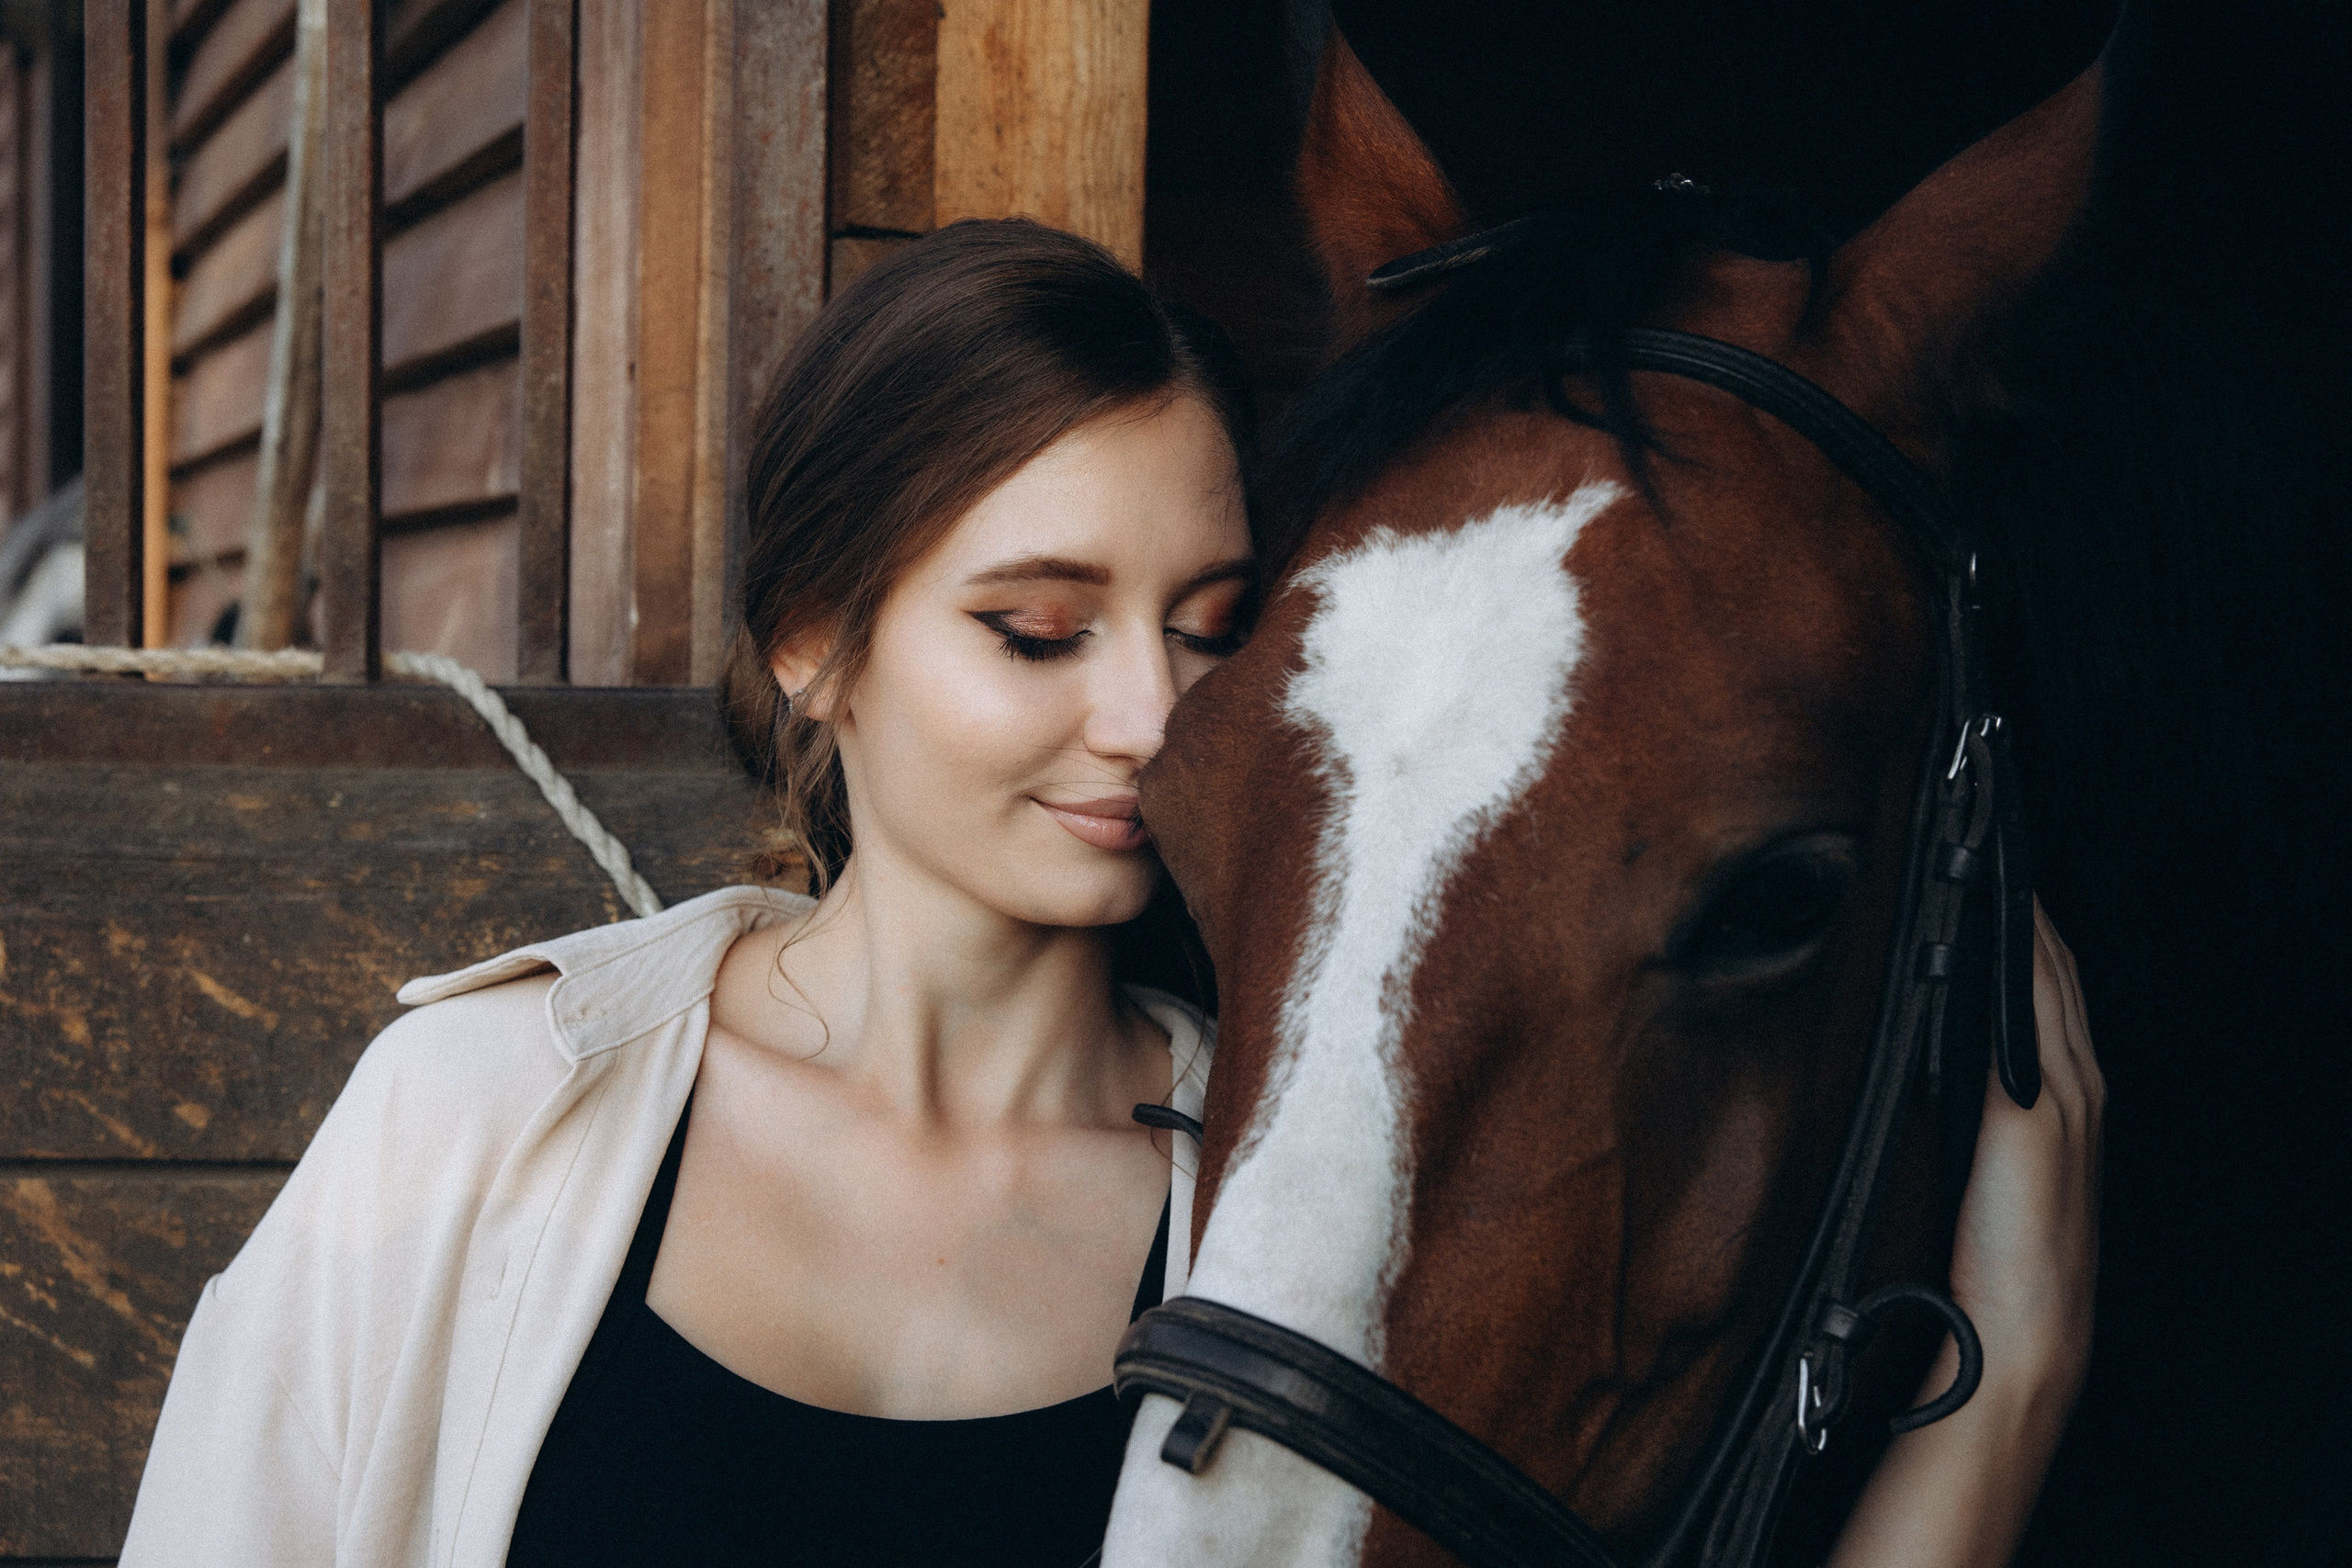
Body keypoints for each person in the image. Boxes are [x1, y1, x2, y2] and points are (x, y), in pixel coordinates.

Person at [116, 220, 2101, 1568]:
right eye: (1037, 627)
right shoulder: (488, 1120)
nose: (1151, 714)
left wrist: (1984, 1413)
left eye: (1210, 628)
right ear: (815, 638)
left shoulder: (1306, 1193)